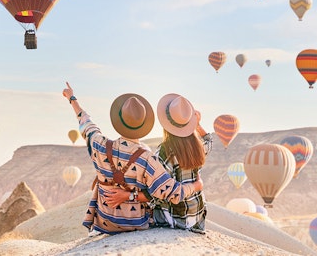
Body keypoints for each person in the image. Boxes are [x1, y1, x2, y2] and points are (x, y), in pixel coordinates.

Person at [62, 83, 203, 235]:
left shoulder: (98, 144)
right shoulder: (148, 159)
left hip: (105, 222)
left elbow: (86, 122)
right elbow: (174, 194)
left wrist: (72, 98)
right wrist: (197, 185)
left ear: (118, 120)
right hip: (136, 224)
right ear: (144, 124)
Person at [106, 93, 210, 234]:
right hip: (197, 217)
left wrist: (127, 196)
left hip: (175, 219)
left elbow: (156, 193)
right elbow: (208, 141)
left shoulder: (165, 152)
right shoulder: (198, 145)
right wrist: (197, 126)